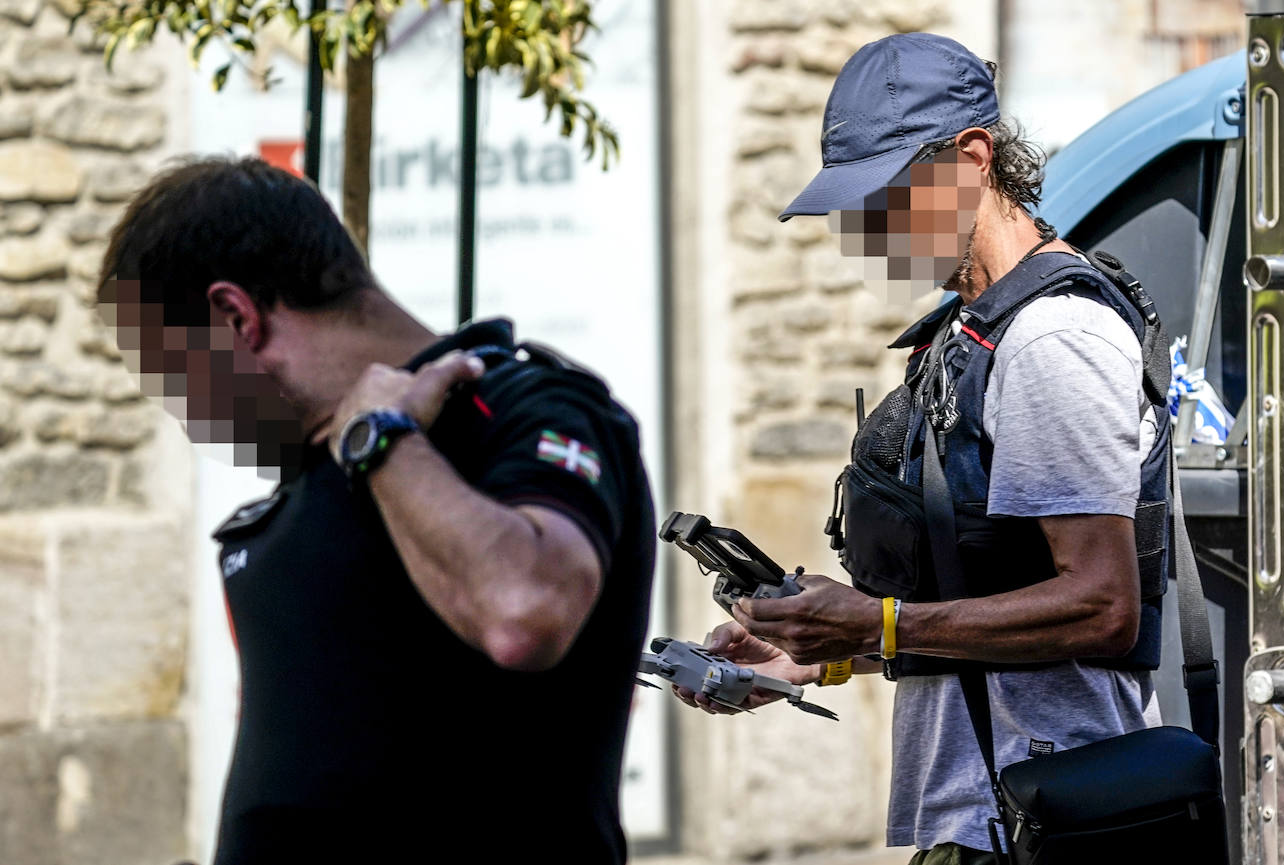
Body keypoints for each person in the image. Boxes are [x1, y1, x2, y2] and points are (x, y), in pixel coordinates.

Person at [675, 33, 1170, 865]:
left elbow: (1101, 606)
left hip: (1051, 822)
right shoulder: (972, 329)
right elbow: (987, 604)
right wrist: (814, 653)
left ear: (972, 159)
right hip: (981, 820)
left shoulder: (1052, 338)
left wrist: (880, 620)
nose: (867, 229)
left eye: (884, 198)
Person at [96, 157, 657, 864]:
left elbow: (525, 609)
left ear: (234, 318)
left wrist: (382, 442)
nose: (188, 418)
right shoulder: (307, 478)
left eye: (176, 378)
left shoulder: (516, 407)